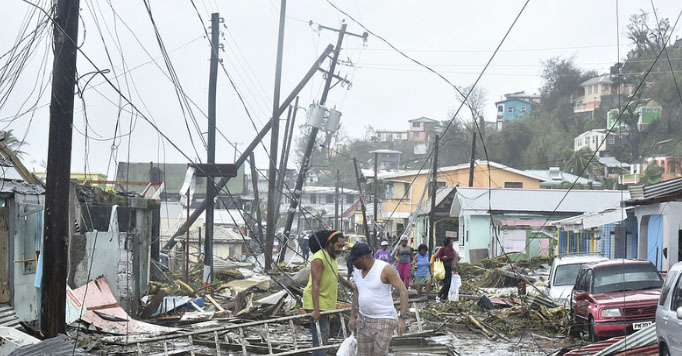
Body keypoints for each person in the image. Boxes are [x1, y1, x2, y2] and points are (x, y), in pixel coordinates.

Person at [349, 243, 408, 355]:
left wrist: (402, 318)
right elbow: (356, 292)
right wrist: (353, 316)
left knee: (378, 353)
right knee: (362, 353)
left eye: (354, 260)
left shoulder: (384, 269)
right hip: (364, 319)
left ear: (363, 258)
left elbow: (403, 291)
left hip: (384, 319)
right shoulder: (357, 271)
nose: (353, 263)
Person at [302, 230, 355, 355]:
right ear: (330, 244)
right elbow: (315, 284)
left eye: (342, 246)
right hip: (316, 303)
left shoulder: (332, 257)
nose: (340, 249)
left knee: (323, 337)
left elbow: (336, 275)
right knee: (320, 338)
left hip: (326, 302)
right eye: (338, 246)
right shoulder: (319, 259)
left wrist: (351, 287)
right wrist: (316, 310)